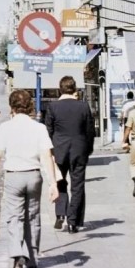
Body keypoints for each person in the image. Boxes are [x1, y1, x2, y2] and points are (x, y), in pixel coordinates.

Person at [0, 89, 58, 268]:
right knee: (33, 216)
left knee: (14, 218)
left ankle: (18, 253)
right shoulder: (39, 128)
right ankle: (32, 259)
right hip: (34, 175)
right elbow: (46, 155)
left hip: (13, 176)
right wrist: (53, 183)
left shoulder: (6, 127)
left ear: (12, 107)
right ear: (30, 106)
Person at [45, 75, 95, 233]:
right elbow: (90, 131)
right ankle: (73, 221)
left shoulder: (53, 107)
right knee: (78, 186)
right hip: (79, 150)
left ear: (60, 89)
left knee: (60, 181)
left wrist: (50, 151)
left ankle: (60, 214)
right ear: (74, 89)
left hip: (59, 149)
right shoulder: (83, 106)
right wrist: (88, 149)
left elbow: (48, 131)